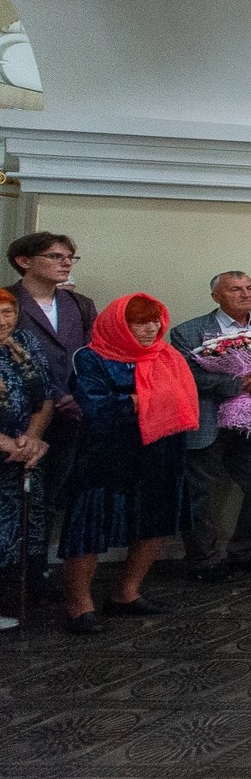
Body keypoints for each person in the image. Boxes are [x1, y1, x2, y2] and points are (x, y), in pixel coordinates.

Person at [59, 294, 199, 634]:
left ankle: (127, 593)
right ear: (119, 324)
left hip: (161, 451)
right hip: (106, 455)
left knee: (155, 522)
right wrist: (149, 399)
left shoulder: (168, 356)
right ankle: (80, 605)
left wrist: (140, 401)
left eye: (155, 321)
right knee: (89, 527)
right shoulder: (91, 357)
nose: (152, 328)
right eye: (141, 322)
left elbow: (184, 400)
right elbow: (98, 409)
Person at [171, 271, 251, 580]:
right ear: (216, 296)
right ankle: (203, 559)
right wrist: (238, 383)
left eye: (249, 287)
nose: (245, 294)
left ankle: (246, 551)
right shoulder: (189, 331)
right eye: (235, 289)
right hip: (207, 421)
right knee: (199, 492)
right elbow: (189, 376)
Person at [3, 231, 94, 599]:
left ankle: (38, 573)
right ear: (25, 261)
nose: (65, 262)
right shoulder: (9, 301)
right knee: (19, 499)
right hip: (19, 419)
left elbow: (91, 355)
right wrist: (55, 397)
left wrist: (81, 395)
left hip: (73, 414)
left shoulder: (80, 304)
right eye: (55, 256)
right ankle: (17, 577)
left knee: (57, 494)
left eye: (70, 257)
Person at [0, 290, 52, 626]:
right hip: (7, 450)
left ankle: (18, 601)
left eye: (7, 312)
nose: (3, 320)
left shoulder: (24, 342)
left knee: (27, 525)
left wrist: (32, 439)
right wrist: (6, 443)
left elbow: (44, 395)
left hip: (23, 454)